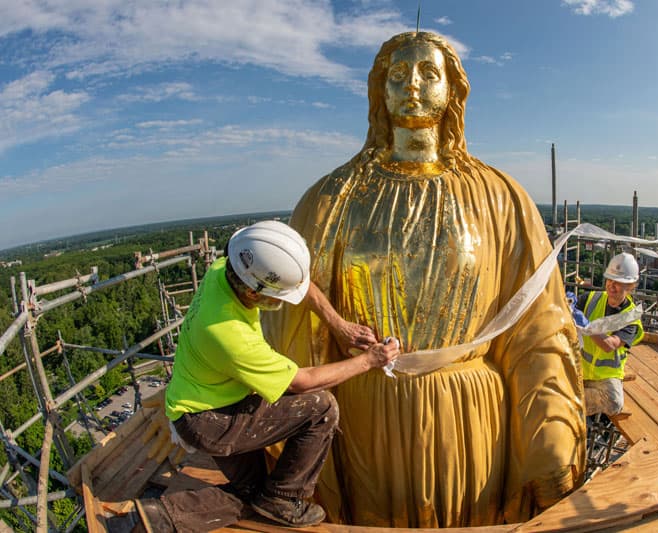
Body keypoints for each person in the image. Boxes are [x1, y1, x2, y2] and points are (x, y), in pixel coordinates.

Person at [262, 31, 585, 527]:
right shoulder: (329, 200)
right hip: (366, 414)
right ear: (380, 90)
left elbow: (539, 325)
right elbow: (294, 324)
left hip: (469, 418)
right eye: (397, 74)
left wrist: (550, 437)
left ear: (453, 90)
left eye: (428, 73)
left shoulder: (501, 199)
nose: (412, 84)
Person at [134, 221, 399, 532]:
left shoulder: (226, 269)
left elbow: (300, 285)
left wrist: (338, 325)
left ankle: (158, 517)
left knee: (251, 494)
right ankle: (285, 497)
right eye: (277, 298)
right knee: (320, 408)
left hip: (197, 404)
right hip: (211, 422)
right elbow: (303, 382)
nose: (281, 303)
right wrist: (371, 360)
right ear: (251, 291)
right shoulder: (228, 334)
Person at [578, 252, 645, 417]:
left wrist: (587, 326)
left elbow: (609, 345)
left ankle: (573, 404)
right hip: (579, 367)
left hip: (605, 377)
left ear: (630, 287)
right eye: (609, 280)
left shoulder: (631, 318)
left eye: (618, 283)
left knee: (614, 403)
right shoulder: (591, 299)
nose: (611, 286)